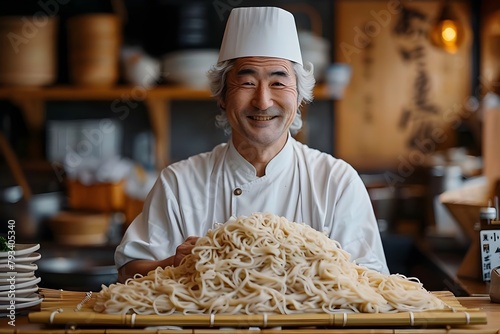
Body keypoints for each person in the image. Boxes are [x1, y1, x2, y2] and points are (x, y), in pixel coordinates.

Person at [116, 6, 389, 282]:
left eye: (278, 83)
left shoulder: (336, 182)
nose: (263, 101)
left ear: (299, 96)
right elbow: (128, 272)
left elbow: (373, 284)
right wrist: (174, 264)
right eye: (247, 82)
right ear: (222, 95)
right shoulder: (179, 183)